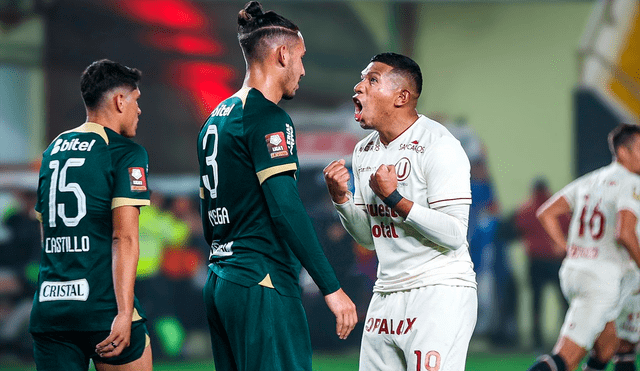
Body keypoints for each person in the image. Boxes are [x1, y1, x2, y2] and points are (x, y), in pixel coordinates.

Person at [196, 2, 357, 371]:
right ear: (282, 54)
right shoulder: (267, 116)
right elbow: (286, 209)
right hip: (261, 281)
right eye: (301, 57)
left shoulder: (213, 120)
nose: (302, 69)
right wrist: (331, 288)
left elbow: (208, 219)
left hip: (220, 279)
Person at [324, 52, 477, 371]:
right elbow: (368, 238)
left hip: (438, 291)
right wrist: (342, 199)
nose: (359, 87)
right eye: (362, 79)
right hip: (386, 294)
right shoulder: (364, 151)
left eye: (372, 80)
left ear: (402, 96)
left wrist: (395, 198)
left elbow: (453, 235)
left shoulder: (439, 145)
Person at [29, 59, 153, 370]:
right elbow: (123, 237)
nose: (139, 110)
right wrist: (124, 313)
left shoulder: (53, 149)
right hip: (102, 310)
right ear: (119, 101)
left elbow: (46, 233)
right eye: (136, 100)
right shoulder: (125, 152)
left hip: (50, 310)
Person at [527, 123, 640, 371]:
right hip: (601, 280)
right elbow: (625, 233)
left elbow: (546, 213)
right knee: (565, 359)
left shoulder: (591, 180)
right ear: (623, 152)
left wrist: (568, 248)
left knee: (607, 347)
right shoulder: (631, 182)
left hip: (575, 271)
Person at [514, 177, 569, 350]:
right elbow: (569, 225)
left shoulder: (527, 209)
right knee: (564, 301)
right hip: (555, 261)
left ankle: (536, 340)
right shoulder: (556, 208)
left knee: (536, 303)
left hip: (536, 261)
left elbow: (517, 226)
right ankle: (567, 338)